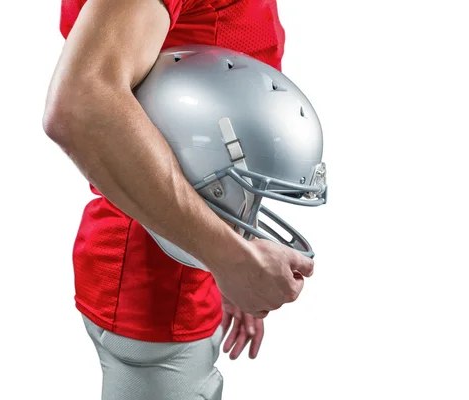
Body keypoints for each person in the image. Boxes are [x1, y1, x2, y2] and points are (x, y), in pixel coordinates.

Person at [43, 0, 316, 398]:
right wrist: (232, 260)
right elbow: (81, 103)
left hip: (183, 256)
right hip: (153, 283)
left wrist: (235, 246)